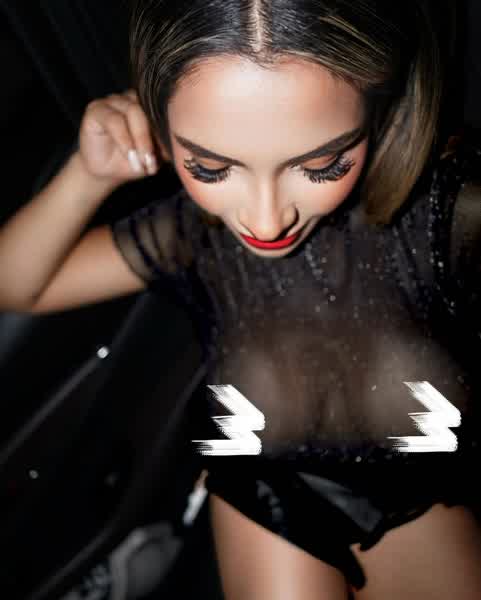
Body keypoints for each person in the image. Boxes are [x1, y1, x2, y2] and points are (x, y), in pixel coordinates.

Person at [0, 1, 480, 598]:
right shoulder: (194, 235)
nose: (265, 219)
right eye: (210, 166)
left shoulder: (450, 213)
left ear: (380, 107)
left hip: (420, 483)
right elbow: (18, 285)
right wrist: (88, 173)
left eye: (322, 164)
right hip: (265, 480)